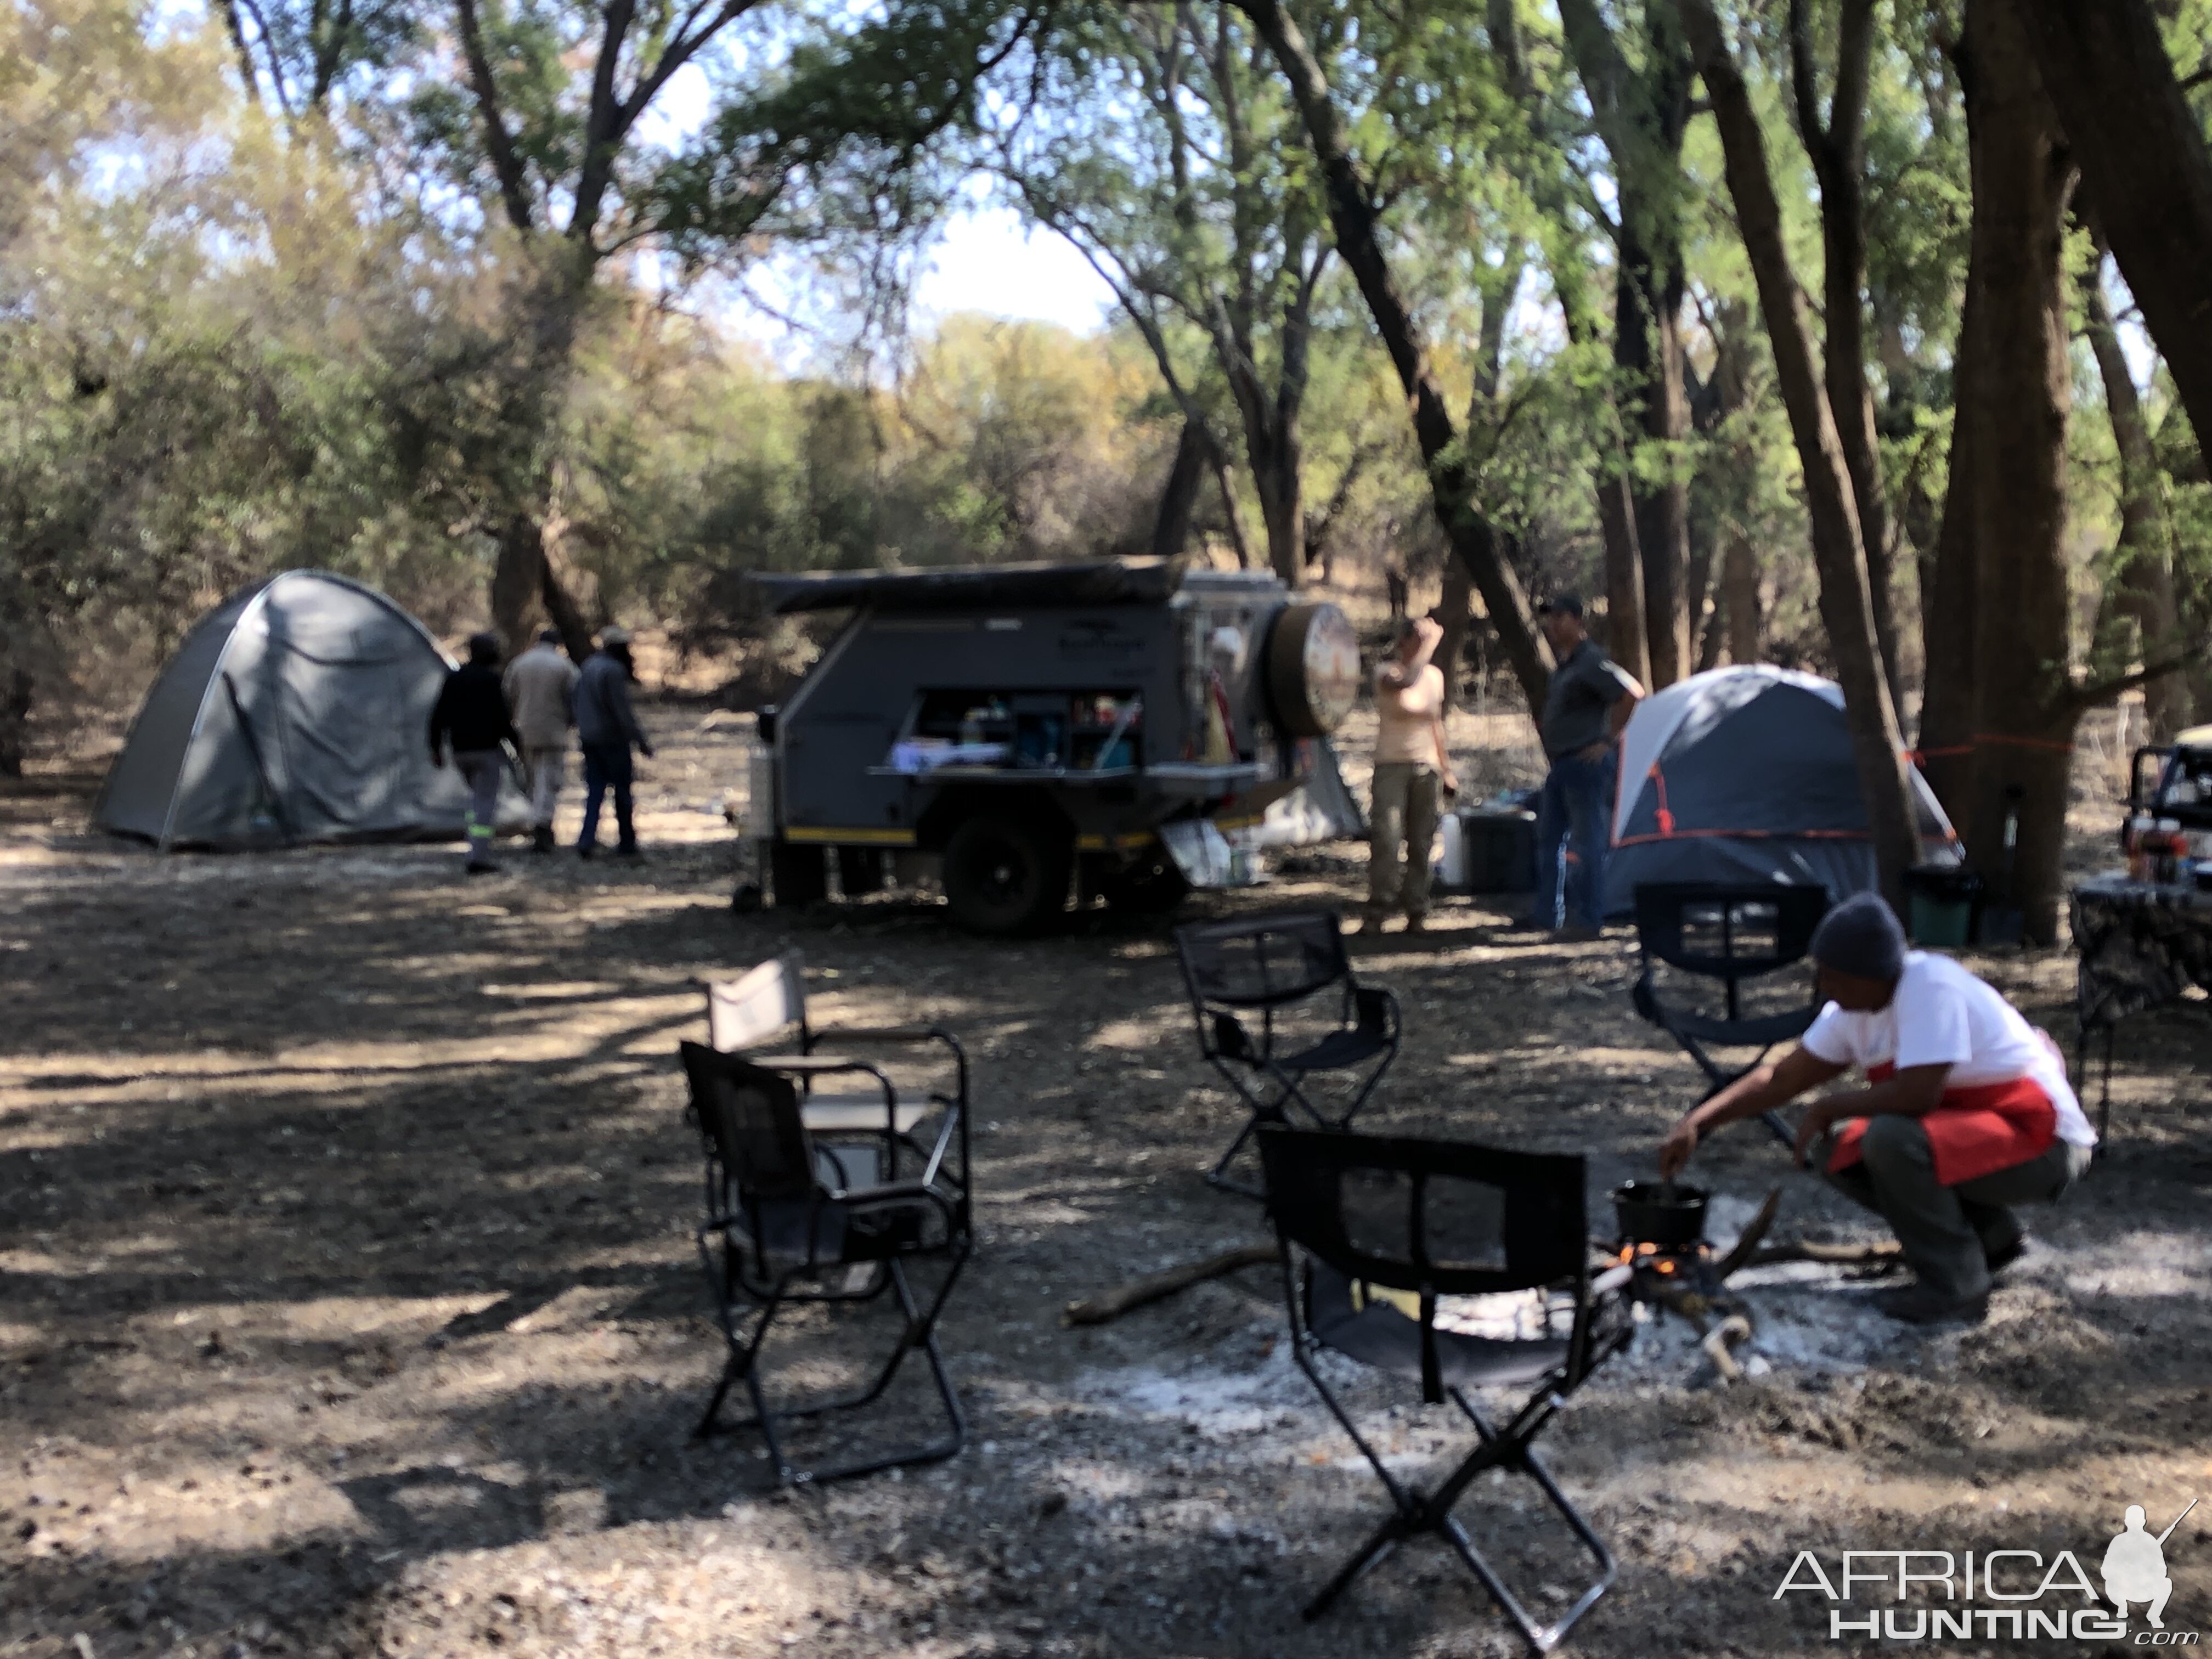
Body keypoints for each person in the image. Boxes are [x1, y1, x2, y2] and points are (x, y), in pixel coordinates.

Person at [1657, 892, 2098, 1324]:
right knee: (1837, 1150)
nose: (1822, 986)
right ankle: (1992, 1240)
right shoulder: (1852, 1013)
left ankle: (1956, 1287)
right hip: (1985, 1133)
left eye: (1832, 976)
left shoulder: (1930, 986)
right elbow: (1781, 1078)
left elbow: (1917, 1095)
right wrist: (1698, 1122)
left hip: (2045, 1141)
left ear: (1871, 972)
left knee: (1890, 1139)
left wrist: (1829, 1105)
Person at [1530, 594, 1640, 940]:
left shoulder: (1592, 660)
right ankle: (1548, 916)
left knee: (1588, 843)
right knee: (1550, 842)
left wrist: (1608, 740)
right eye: (1550, 619)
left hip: (1585, 763)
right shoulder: (1567, 666)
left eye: (1561, 617)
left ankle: (1589, 919)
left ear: (1578, 621)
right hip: (1561, 765)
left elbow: (1632, 693)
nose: (1553, 625)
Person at [1364, 614, 1457, 934]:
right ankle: (1379, 909)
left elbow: (1436, 724)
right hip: (1391, 766)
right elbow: (1405, 686)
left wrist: (1446, 770)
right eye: (1417, 636)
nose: (1423, 641)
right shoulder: (1386, 673)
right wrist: (1430, 644)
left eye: (1425, 637)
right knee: (1387, 839)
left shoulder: (1434, 676)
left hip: (1426, 767)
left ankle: (1417, 909)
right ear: (1403, 642)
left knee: (1421, 842)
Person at [429, 631, 518, 875]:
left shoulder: (455, 679)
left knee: (476, 801)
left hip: (460, 753)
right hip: (486, 752)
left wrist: (435, 748)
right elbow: (503, 719)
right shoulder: (491, 680)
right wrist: (516, 745)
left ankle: (474, 846)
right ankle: (478, 857)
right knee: (485, 803)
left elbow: (438, 715)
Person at [573, 625, 654, 859]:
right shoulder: (614, 671)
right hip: (612, 740)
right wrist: (641, 741)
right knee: (622, 792)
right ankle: (627, 842)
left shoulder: (588, 666)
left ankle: (586, 840)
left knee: (595, 790)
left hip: (589, 738)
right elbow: (622, 711)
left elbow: (575, 699)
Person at [504, 627, 579, 854]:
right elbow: (575, 697)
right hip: (554, 731)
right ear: (558, 644)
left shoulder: (520, 663)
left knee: (533, 779)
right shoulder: (565, 666)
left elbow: (508, 695)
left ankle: (534, 820)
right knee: (551, 779)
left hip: (525, 731)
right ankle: (543, 825)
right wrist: (572, 722)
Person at [2103, 1505, 2175, 1628]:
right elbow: (2106, 1570)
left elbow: (2162, 1570)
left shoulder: (2151, 1542)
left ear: (2143, 1522)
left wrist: (2146, 1572)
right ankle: (2122, 1607)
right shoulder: (2119, 1541)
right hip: (2122, 1589)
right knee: (2111, 1582)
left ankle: (2154, 1615)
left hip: (2144, 1589)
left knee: (2166, 1583)